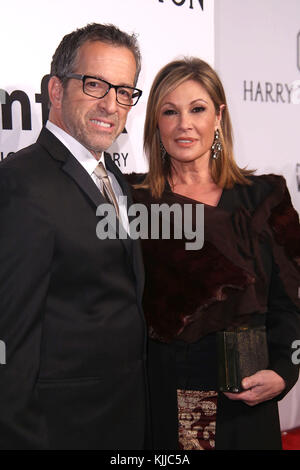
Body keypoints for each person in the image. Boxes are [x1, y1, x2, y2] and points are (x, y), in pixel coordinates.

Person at [127, 57, 300, 450]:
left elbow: (291, 300)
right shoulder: (133, 201)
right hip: (170, 394)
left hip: (247, 394)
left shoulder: (266, 196)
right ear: (156, 122)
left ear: (219, 116)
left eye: (197, 109)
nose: (184, 124)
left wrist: (285, 370)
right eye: (170, 111)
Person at [0, 23, 148, 450]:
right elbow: (10, 342)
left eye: (124, 91)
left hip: (122, 420)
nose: (111, 103)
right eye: (95, 84)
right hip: (61, 430)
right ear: (56, 90)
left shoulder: (116, 178)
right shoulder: (21, 184)